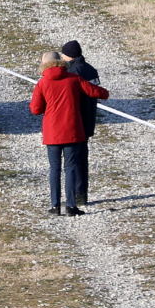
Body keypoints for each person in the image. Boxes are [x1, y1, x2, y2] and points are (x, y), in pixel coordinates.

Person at [29, 50, 108, 218]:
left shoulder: (42, 83)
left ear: (44, 65)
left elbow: (35, 109)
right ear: (61, 62)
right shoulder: (74, 79)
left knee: (55, 168)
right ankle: (71, 205)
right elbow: (99, 92)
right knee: (71, 167)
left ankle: (55, 206)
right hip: (72, 130)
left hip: (52, 132)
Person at [58, 40, 102, 207]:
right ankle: (82, 193)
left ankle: (77, 194)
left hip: (76, 121)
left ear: (70, 56)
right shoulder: (91, 69)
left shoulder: (73, 72)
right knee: (83, 158)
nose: (61, 56)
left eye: (63, 54)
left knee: (74, 159)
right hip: (89, 119)